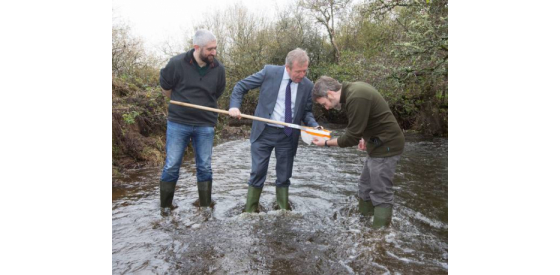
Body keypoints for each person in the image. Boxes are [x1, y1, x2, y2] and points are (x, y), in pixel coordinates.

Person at [229, 48, 320, 212]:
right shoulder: (269, 72)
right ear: (288, 67)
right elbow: (241, 86)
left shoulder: (307, 85)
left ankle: (283, 212)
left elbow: (306, 112)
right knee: (258, 172)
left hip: (287, 136)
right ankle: (250, 212)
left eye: (305, 71)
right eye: (298, 71)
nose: (302, 75)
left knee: (284, 176)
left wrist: (314, 126)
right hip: (263, 132)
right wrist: (235, 107)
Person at [311, 76, 405, 228]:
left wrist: (326, 143)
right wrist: (365, 138)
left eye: (324, 104)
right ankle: (365, 226)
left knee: (381, 193)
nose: (326, 108)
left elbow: (351, 138)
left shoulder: (356, 96)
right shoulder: (352, 93)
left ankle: (379, 238)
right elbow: (364, 123)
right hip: (377, 143)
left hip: (387, 146)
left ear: (330, 93)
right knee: (365, 187)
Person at [158, 30, 226, 208]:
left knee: (204, 166)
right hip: (178, 123)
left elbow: (217, 93)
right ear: (197, 47)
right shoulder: (176, 63)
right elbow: (166, 88)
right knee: (172, 165)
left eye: (215, 48)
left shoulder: (218, 69)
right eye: (210, 49)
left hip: (205, 125)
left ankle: (204, 207)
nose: (214, 52)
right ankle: (165, 208)